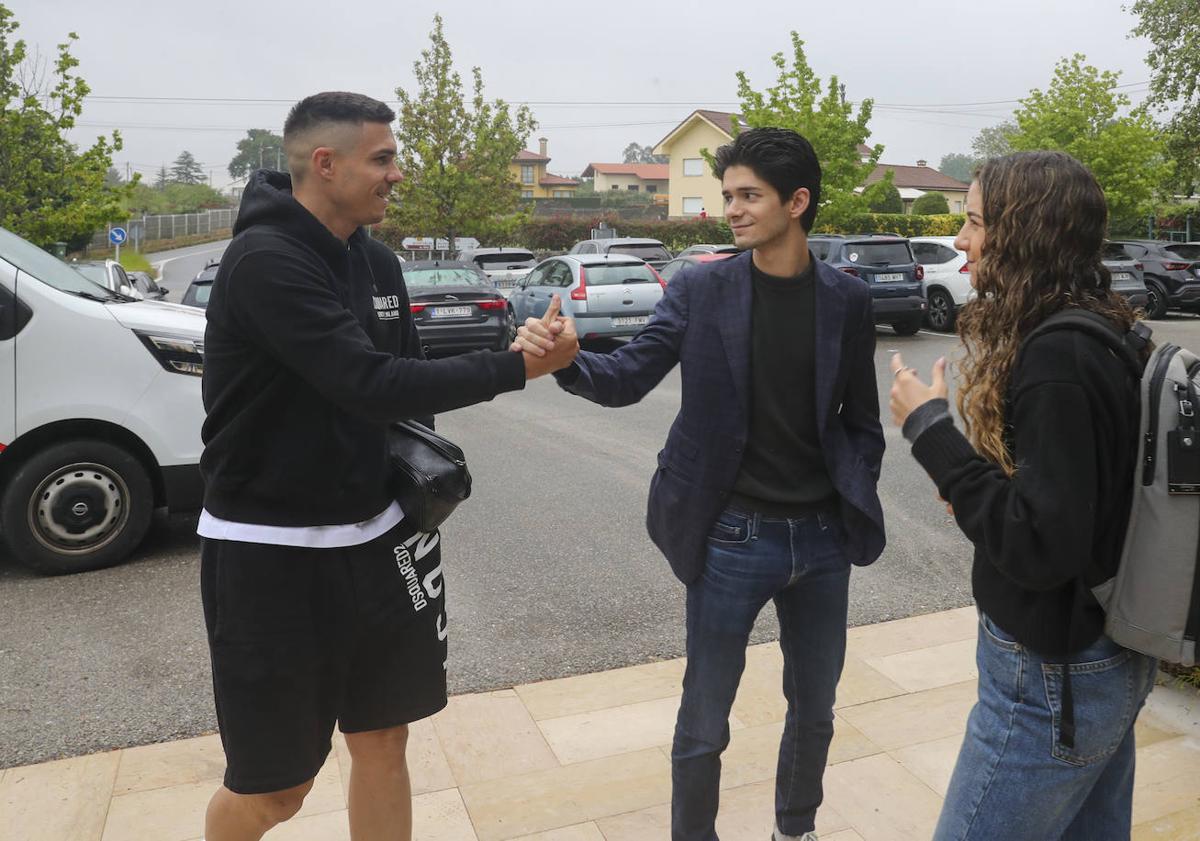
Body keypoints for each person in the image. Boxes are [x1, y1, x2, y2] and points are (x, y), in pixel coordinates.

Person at [197, 91, 577, 841]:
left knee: (384, 740)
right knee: (279, 787)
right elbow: (364, 382)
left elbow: (402, 388)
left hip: (380, 544)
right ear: (325, 163)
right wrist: (514, 368)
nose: (397, 174)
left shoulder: (374, 261)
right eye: (383, 158)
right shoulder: (265, 261)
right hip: (271, 555)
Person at [515, 127, 885, 841]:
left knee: (815, 708)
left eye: (749, 195)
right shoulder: (702, 286)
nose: (732, 210)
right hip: (732, 533)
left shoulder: (847, 299)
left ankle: (795, 828)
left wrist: (852, 495)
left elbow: (861, 422)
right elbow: (628, 375)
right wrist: (568, 361)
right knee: (705, 718)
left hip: (821, 540)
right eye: (728, 195)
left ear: (798, 201)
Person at [888, 150, 1158, 841]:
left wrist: (928, 430)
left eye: (974, 221)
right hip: (1106, 656)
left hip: (1053, 680)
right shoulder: (1104, 327)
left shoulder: (1056, 357)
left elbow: (1040, 544)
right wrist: (988, 489)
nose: (960, 240)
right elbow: (1080, 498)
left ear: (1023, 232)